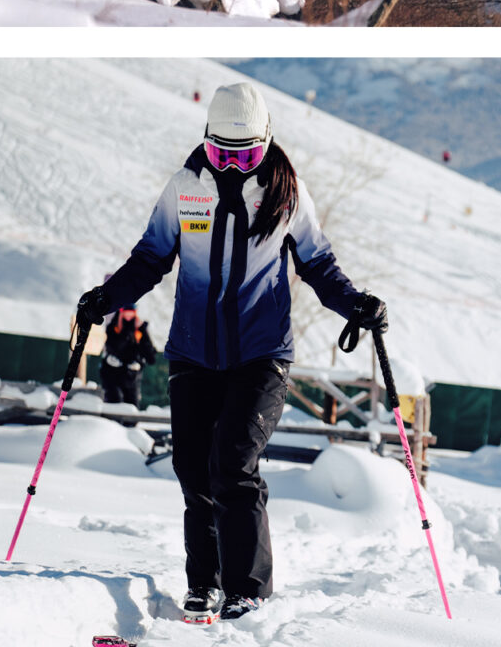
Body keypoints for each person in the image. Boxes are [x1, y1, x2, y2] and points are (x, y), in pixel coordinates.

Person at [76, 81, 385, 622]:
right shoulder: (185, 187)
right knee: (193, 468)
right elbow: (150, 258)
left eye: (245, 156)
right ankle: (205, 584)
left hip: (261, 355)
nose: (233, 166)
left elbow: (318, 264)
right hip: (194, 353)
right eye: (222, 154)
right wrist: (106, 299)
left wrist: (355, 304)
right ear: (206, 141)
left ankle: (248, 589)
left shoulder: (286, 194)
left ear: (265, 142)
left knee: (233, 464)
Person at [99, 306, 158, 408]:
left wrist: (143, 331)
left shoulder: (139, 330)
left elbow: (151, 358)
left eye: (131, 311)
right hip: (113, 375)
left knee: (131, 407)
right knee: (114, 402)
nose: (129, 315)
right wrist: (127, 334)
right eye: (126, 311)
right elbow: (113, 346)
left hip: (131, 377)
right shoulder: (114, 328)